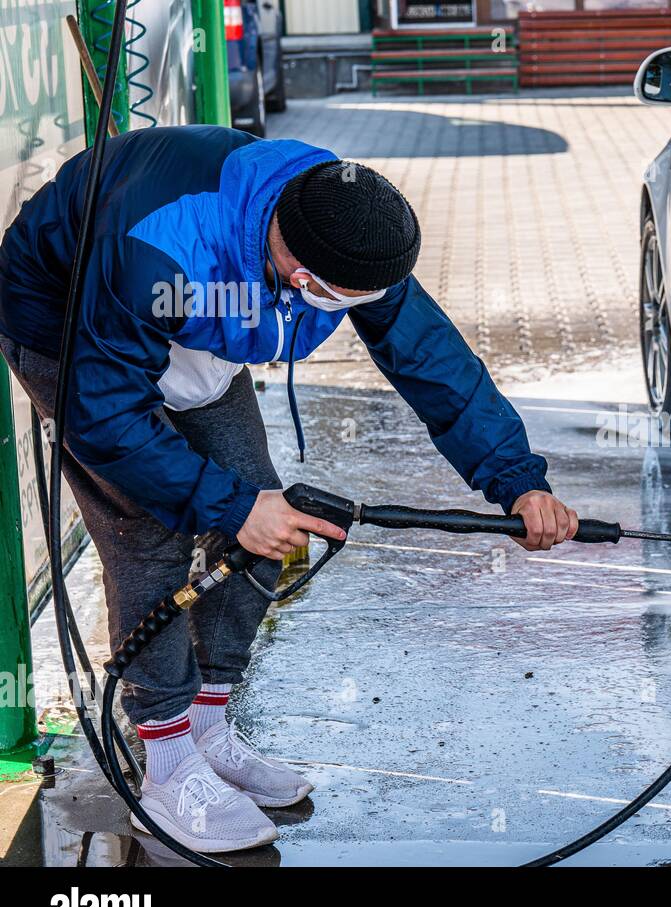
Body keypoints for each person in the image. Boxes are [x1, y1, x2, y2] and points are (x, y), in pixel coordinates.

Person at [0, 126, 577, 852]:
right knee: (148, 528)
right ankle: (169, 761)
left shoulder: (345, 226)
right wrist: (232, 506)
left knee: (267, 524)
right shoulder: (162, 247)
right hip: (73, 323)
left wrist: (517, 481)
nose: (344, 313)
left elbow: (430, 356)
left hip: (200, 314)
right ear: (296, 267)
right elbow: (106, 415)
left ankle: (209, 723)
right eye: (334, 301)